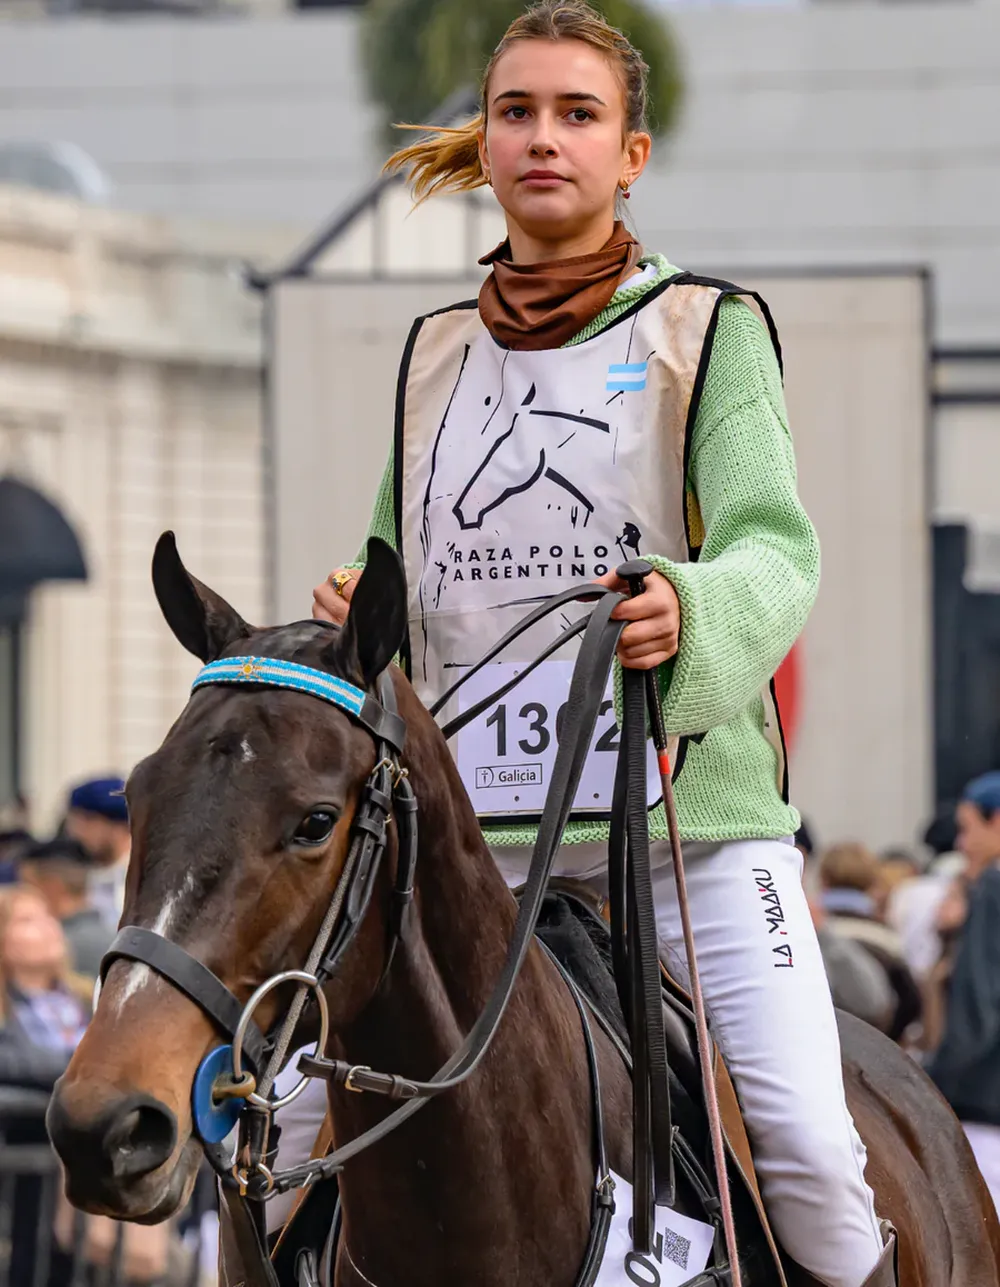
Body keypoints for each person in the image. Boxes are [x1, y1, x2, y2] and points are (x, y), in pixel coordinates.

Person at [310, 5, 893, 1284]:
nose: (542, 138)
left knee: (804, 1152)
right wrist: (364, 597)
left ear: (630, 155)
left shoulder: (708, 325)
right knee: (294, 1131)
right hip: (464, 859)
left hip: (693, 843)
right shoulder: (431, 357)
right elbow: (394, 591)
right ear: (486, 136)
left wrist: (694, 606)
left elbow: (773, 547)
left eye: (578, 115)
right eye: (517, 111)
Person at [928, 771, 1000, 1213]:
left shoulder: (993, 886)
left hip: (984, 1106)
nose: (960, 843)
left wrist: (928, 1084)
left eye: (967, 827)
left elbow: (978, 1010)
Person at [818, 843, 921, 1043]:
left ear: (824, 880)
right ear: (871, 881)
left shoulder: (811, 931)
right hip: (873, 1047)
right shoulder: (887, 937)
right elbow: (911, 1002)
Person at [0, 884, 90, 1090]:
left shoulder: (91, 996)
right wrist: (81, 1065)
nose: (48, 926)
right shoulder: (4, 1010)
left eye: (48, 915)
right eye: (27, 920)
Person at [20, 837, 112, 978]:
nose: (22, 893)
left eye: (27, 884)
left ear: (53, 887)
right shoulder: (115, 936)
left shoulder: (49, 948)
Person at [63, 775, 130, 934]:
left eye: (85, 821)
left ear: (115, 824)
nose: (75, 832)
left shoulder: (144, 877)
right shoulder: (86, 871)